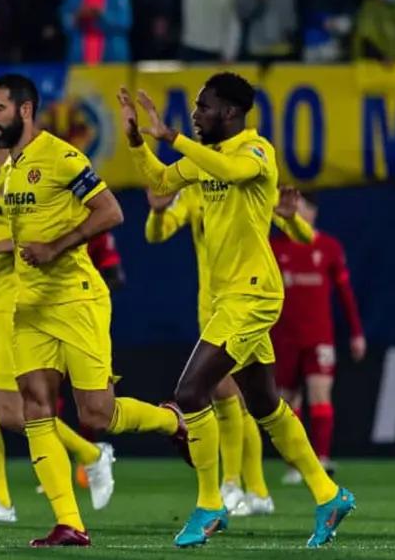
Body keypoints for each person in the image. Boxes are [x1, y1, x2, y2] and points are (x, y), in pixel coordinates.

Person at [120, 73, 356, 548]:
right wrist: (135, 144)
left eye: (202, 107)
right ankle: (329, 495)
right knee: (265, 403)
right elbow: (162, 181)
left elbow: (228, 173)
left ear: (229, 113)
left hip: (253, 293)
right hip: (228, 295)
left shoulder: (256, 152)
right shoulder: (205, 158)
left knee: (190, 392)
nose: (194, 114)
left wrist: (175, 138)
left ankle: (210, 504)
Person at [0, 74, 186, 548]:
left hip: (76, 299)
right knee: (34, 409)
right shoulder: (10, 169)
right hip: (28, 304)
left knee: (97, 416)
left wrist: (56, 246)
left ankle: (171, 420)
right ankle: (69, 523)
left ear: (25, 111)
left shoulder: (62, 156)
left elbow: (112, 212)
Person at [0, 112, 116, 525]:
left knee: (10, 413)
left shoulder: (32, 173)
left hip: (18, 299)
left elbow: (39, 232)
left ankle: (92, 454)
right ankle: (0, 502)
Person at [146, 183, 315, 516]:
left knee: (225, 395)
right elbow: (156, 233)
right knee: (242, 402)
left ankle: (232, 486)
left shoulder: (248, 185)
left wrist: (291, 219)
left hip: (244, 305)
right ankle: (258, 492)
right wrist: (158, 210)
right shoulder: (196, 192)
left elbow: (304, 236)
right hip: (211, 309)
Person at [271, 193, 365, 483]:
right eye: (291, 210)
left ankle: (321, 458)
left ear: (313, 213)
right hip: (284, 337)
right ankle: (296, 464)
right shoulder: (273, 247)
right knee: (288, 400)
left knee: (320, 393)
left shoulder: (328, 247)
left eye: (301, 210)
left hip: (319, 336)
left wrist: (356, 332)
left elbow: (345, 294)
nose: (296, 215)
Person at [60, 0, 132, 65]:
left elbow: (125, 23)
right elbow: (65, 23)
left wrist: (102, 14)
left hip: (112, 59)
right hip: (79, 59)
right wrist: (77, 16)